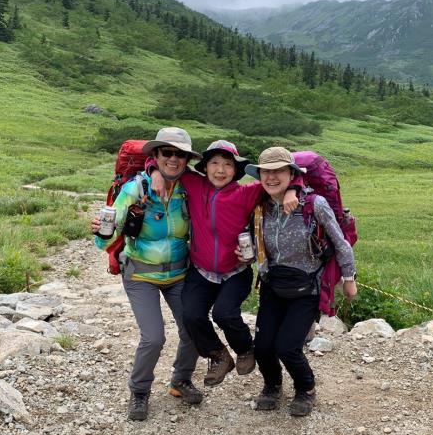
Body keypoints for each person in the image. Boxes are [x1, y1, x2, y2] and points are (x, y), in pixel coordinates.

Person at [148, 140, 299, 386]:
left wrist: (293, 190)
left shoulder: (246, 193)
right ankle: (218, 355)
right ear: (204, 167)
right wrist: (154, 171)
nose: (220, 170)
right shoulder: (193, 183)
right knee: (191, 315)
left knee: (224, 313)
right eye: (214, 163)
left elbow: (281, 181)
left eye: (227, 164)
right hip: (201, 271)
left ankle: (245, 349)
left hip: (235, 271)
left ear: (236, 169)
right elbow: (164, 163)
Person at [91, 127, 202, 422]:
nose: (174, 159)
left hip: (178, 274)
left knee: (193, 329)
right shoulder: (136, 188)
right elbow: (105, 237)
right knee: (153, 338)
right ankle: (139, 391)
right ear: (155, 155)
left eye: (181, 154)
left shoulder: (189, 188)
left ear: (188, 160)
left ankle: (181, 380)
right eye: (167, 153)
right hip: (140, 274)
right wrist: (102, 233)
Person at [244, 147, 357, 417]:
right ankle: (272, 385)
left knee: (287, 347)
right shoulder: (260, 206)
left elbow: (341, 243)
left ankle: (306, 389)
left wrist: (349, 278)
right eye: (266, 171)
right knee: (263, 346)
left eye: (278, 171)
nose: (271, 177)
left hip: (307, 288)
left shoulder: (314, 204)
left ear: (292, 174)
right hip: (272, 285)